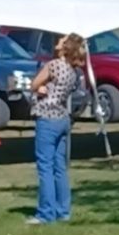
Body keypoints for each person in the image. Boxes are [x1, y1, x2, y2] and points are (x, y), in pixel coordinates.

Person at [27, 33, 85, 224]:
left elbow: (34, 84)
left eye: (62, 40)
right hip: (62, 117)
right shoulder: (73, 70)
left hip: (47, 117)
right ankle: (63, 210)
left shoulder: (53, 65)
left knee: (45, 166)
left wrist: (39, 87)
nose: (58, 42)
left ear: (65, 47)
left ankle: (46, 213)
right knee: (59, 167)